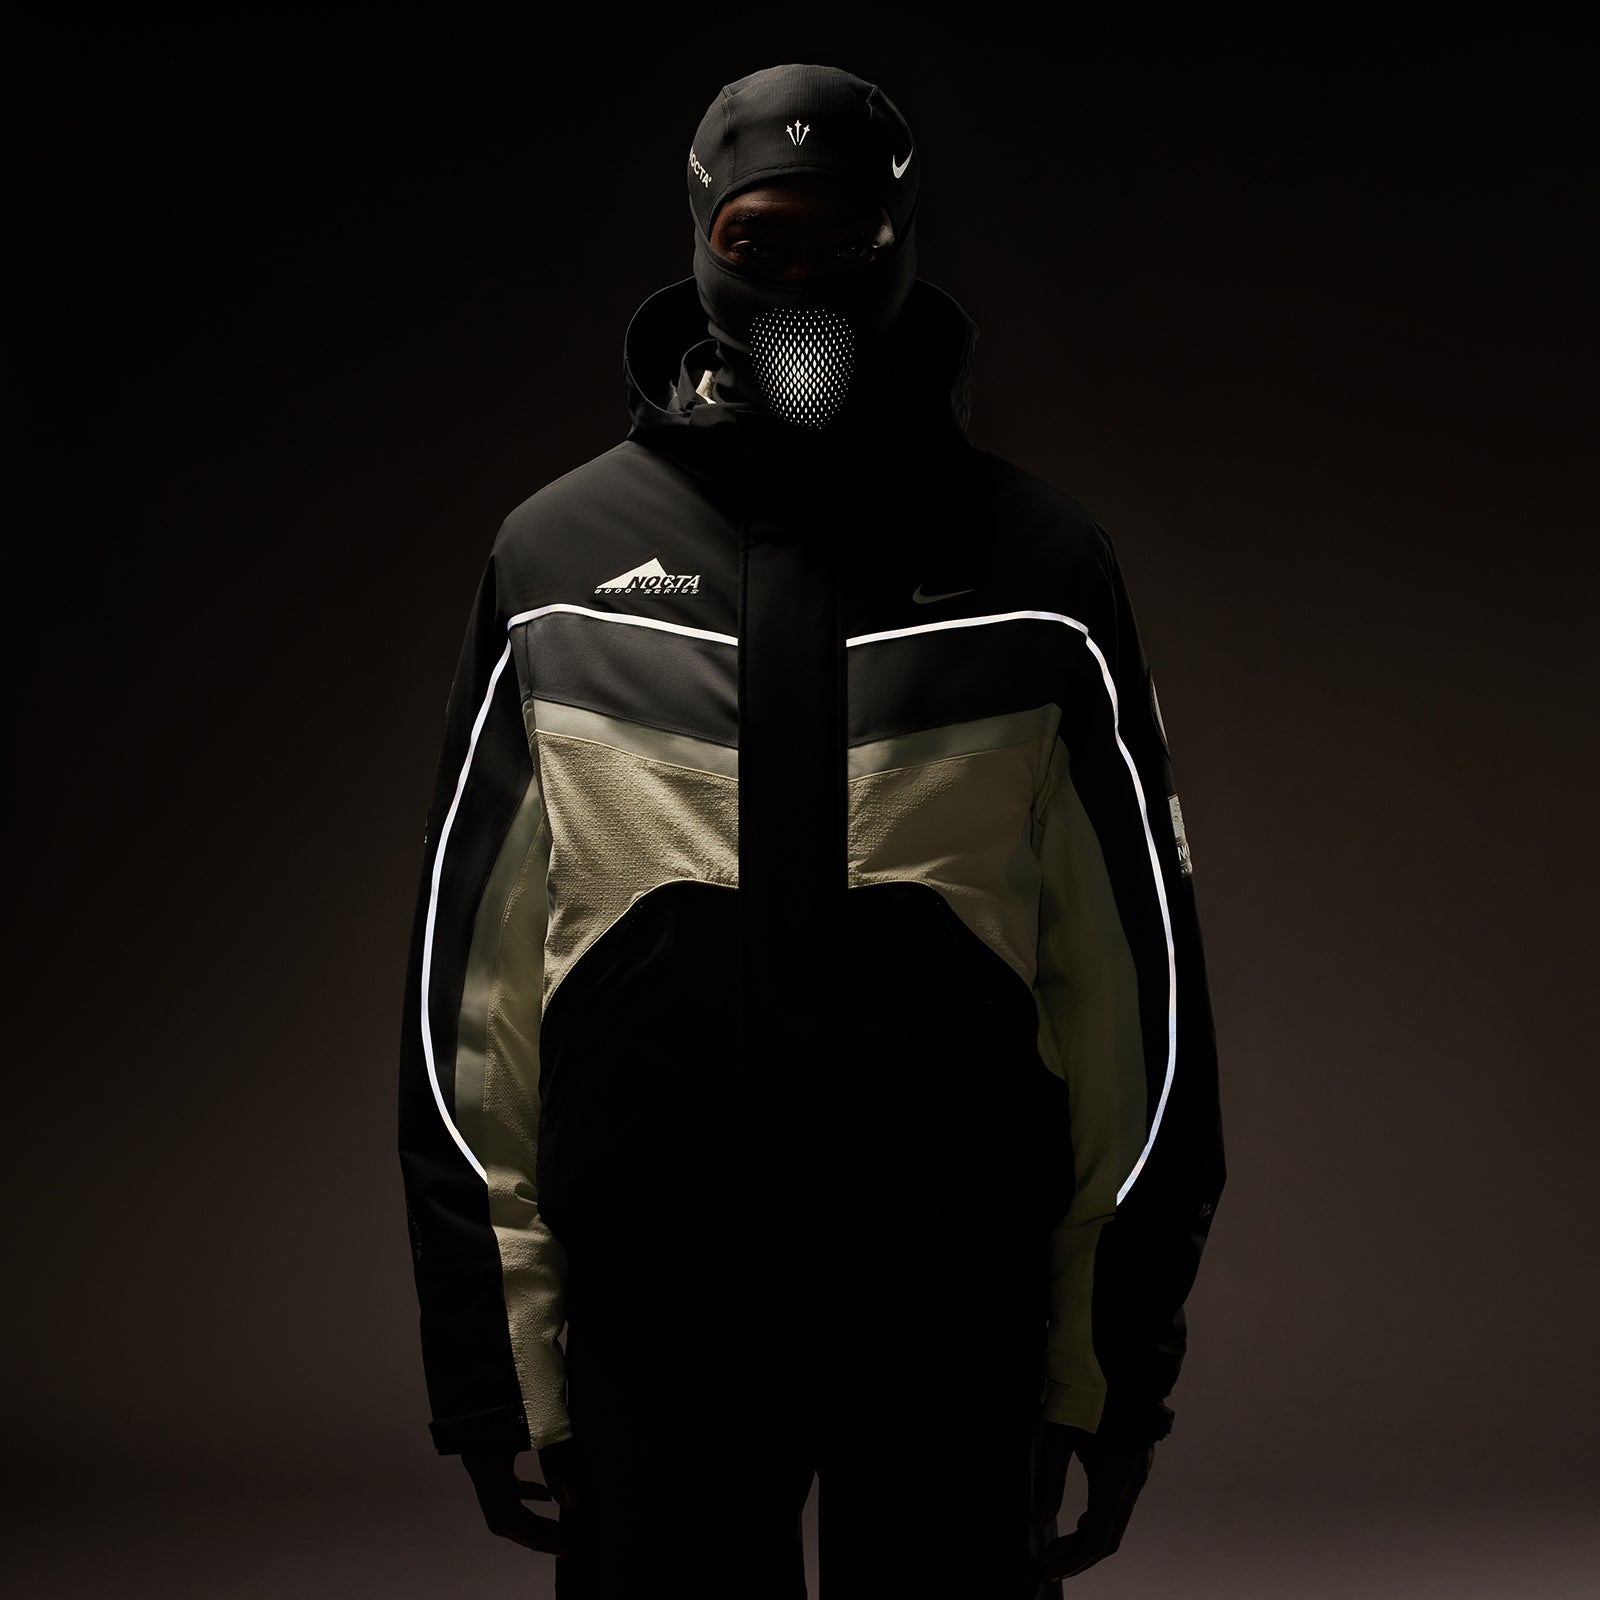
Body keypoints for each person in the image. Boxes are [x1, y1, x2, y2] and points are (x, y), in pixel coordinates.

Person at [397, 62, 1225, 1599]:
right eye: (760, 241)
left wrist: (1109, 1370)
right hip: (660, 1306)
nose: (802, 284)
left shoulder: (1040, 569)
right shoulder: (557, 562)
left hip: (952, 1305)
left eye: (845, 241)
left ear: (904, 245)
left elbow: (1139, 1005)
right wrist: (492, 1364)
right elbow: (472, 1010)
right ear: (700, 238)